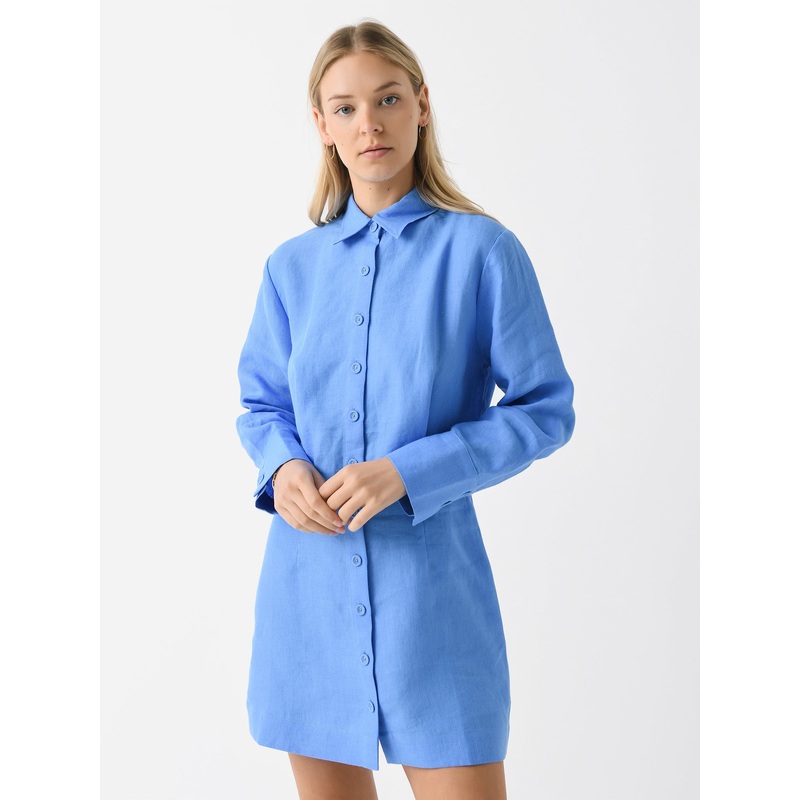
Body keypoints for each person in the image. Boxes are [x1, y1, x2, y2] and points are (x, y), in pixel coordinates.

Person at [235, 18, 576, 800]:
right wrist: (283, 468)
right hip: (308, 595)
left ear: (422, 105)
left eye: (388, 99)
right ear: (322, 125)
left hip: (433, 604)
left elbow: (544, 409)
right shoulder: (290, 269)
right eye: (346, 107)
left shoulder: (483, 252)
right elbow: (261, 404)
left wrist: (407, 471)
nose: (370, 123)